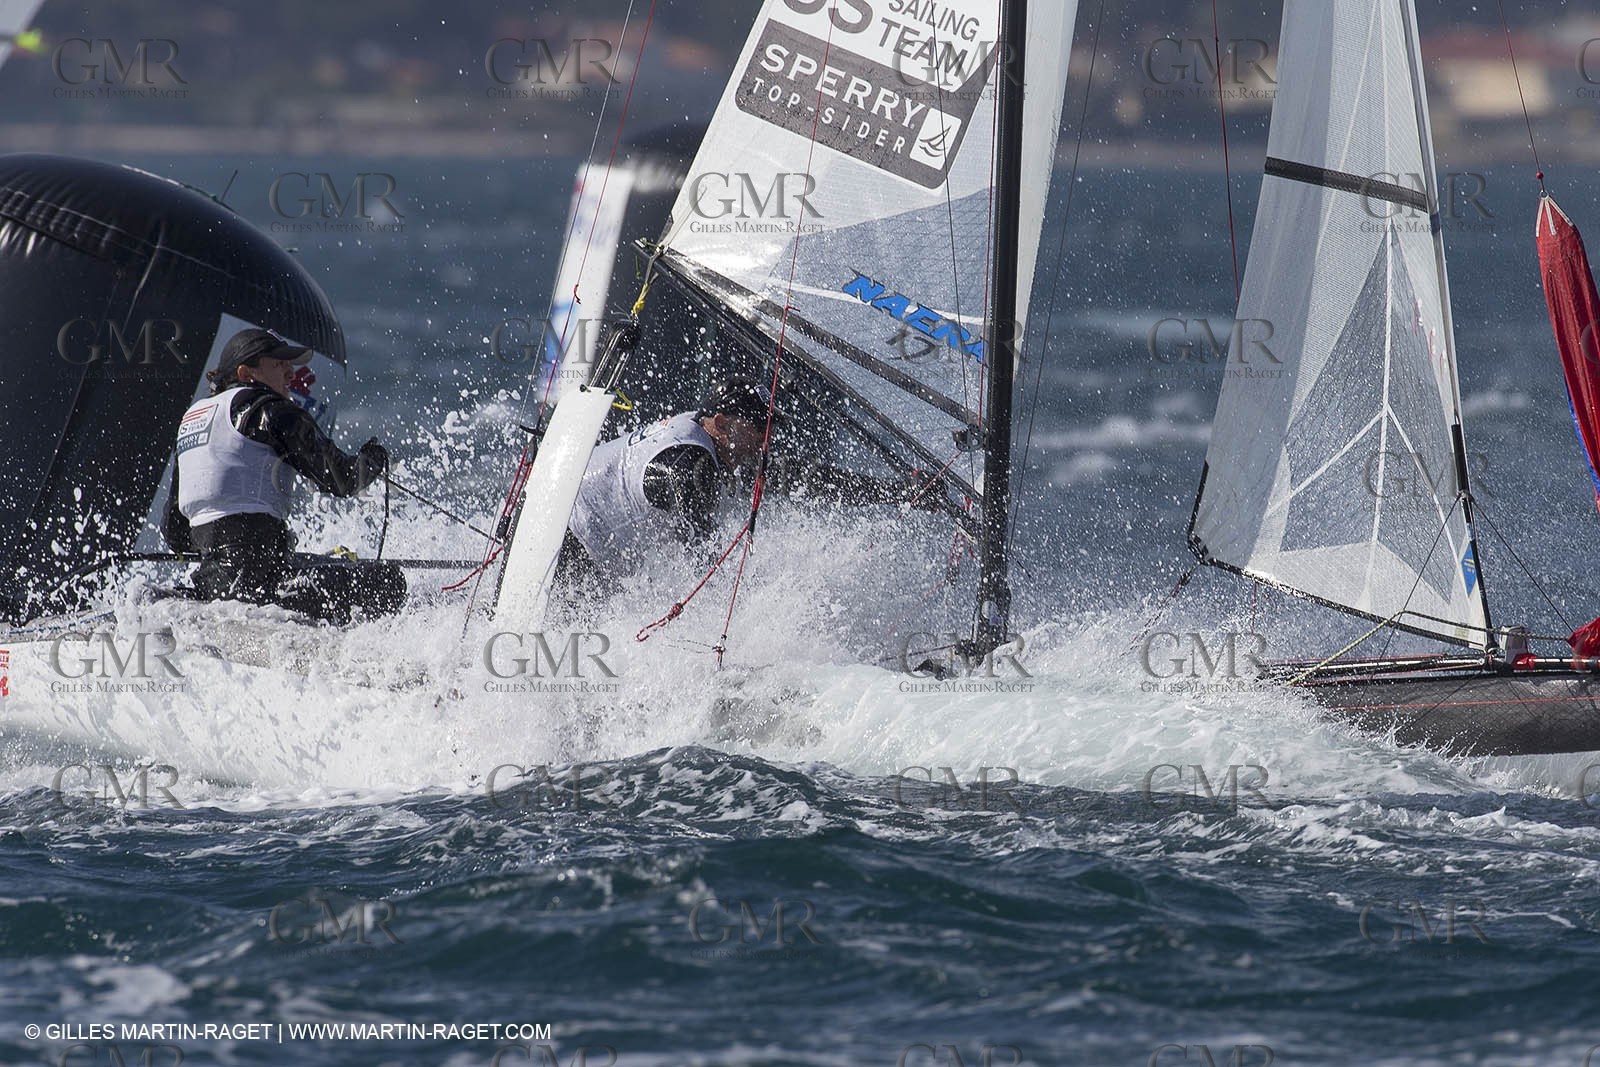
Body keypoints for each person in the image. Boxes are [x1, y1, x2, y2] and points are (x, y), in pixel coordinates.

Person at [558, 379, 945, 585]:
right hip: (560, 540)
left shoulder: (711, 437)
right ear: (724, 425)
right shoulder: (691, 462)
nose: (767, 439)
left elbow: (806, 479)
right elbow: (698, 545)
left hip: (561, 522)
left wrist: (898, 492)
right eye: (760, 428)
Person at [161, 328, 406, 624]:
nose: (292, 373)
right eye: (279, 365)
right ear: (246, 372)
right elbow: (344, 480)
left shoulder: (193, 421)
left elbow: (175, 532)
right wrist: (375, 457)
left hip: (212, 585)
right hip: (264, 588)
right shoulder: (272, 410)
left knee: (327, 562)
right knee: (387, 581)